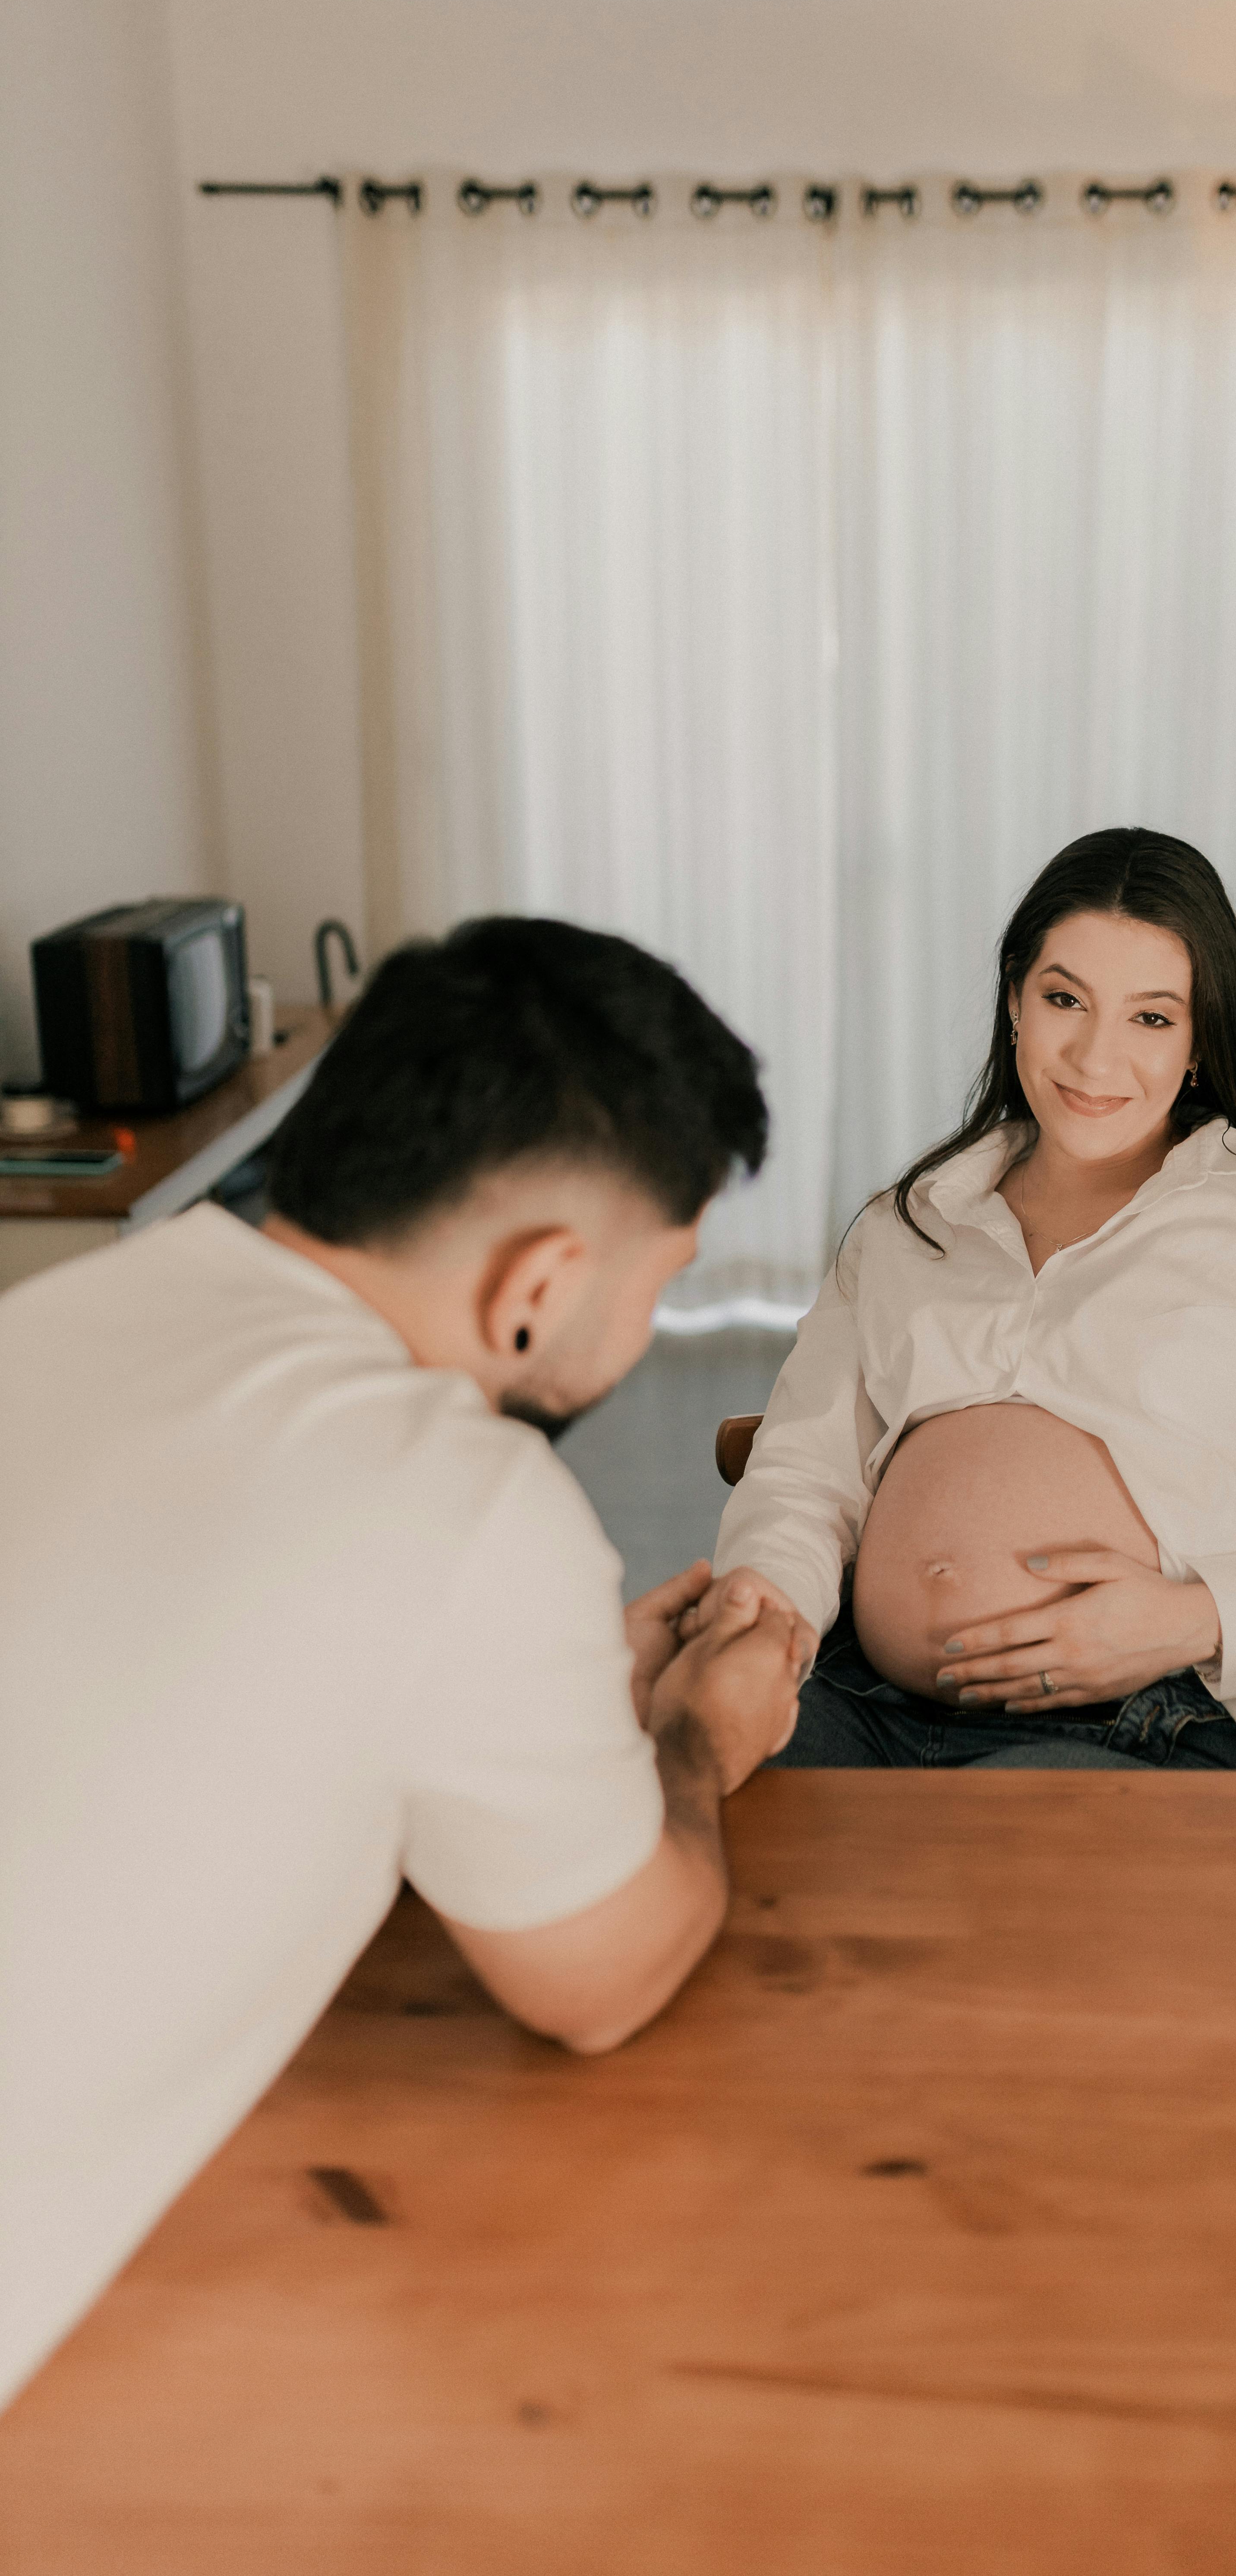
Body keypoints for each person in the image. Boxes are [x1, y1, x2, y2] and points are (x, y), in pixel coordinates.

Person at [0, 918, 807, 2411]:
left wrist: (547, 1697)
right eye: (663, 1277)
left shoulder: (59, 1314)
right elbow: (601, 1980)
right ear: (541, 1284)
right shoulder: (463, 1499)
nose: (653, 1321)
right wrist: (699, 1738)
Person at [705, 827, 1236, 1773]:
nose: (1096, 1058)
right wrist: (757, 1624)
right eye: (1065, 1000)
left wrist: (1187, 1619)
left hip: (1147, 1717)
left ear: (1198, 1041)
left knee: (987, 1876)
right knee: (669, 1802)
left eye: (1150, 1018)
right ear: (1016, 999)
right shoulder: (909, 1222)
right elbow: (801, 1480)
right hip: (858, 1697)